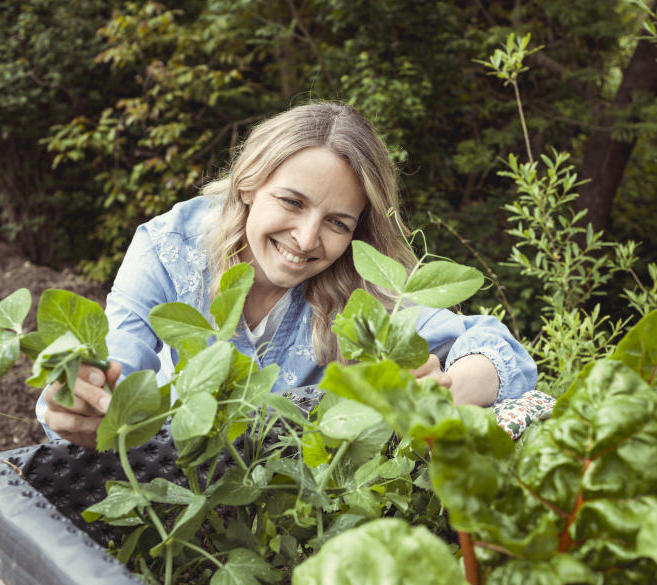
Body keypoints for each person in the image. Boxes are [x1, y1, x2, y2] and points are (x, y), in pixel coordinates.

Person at [38, 102, 537, 447]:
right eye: (292, 202)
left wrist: (445, 387)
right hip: (177, 469)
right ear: (251, 183)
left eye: (337, 223)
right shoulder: (170, 247)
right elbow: (114, 366)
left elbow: (493, 345)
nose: (305, 239)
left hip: (297, 497)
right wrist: (80, 404)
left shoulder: (359, 279)